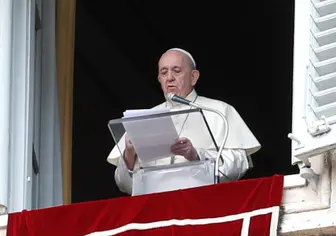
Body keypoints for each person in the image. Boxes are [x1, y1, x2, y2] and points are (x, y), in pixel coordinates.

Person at [107, 48, 261, 195]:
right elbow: (124, 185)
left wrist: (196, 156)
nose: (169, 78)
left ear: (193, 77)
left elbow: (239, 164)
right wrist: (129, 154)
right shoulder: (143, 118)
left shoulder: (219, 110)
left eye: (177, 71)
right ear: (159, 79)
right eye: (164, 72)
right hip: (154, 208)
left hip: (201, 204)